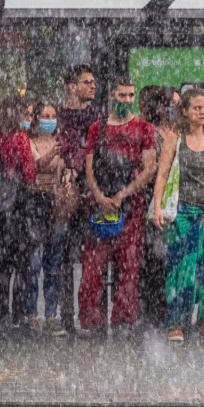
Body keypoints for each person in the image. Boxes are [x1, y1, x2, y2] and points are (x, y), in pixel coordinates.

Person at [80, 79, 156, 332]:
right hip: (99, 207)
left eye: (130, 95)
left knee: (129, 267)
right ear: (112, 95)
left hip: (131, 207)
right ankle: (92, 321)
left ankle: (123, 319)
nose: (126, 100)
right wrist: (99, 196)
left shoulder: (144, 128)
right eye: (122, 95)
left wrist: (123, 194)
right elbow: (88, 168)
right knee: (92, 269)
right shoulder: (97, 128)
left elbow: (149, 168)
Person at [152, 88, 204, 344]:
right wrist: (158, 207)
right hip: (182, 211)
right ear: (185, 110)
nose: (202, 112)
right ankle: (177, 322)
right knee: (180, 266)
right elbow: (162, 174)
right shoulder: (176, 137)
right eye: (197, 107)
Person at [55, 63, 102, 337]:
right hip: (65, 191)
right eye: (86, 82)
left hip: (90, 191)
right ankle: (65, 317)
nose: (92, 86)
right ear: (72, 86)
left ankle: (91, 315)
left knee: (92, 257)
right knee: (63, 256)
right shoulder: (58, 116)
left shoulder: (98, 116)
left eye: (93, 81)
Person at [0, 94, 37, 328]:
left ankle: (1, 312)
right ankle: (19, 314)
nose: (29, 118)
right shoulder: (20, 139)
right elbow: (29, 175)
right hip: (19, 209)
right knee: (23, 265)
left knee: (2, 265)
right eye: (25, 114)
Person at [25, 101, 67, 333]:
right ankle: (31, 313)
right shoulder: (29, 142)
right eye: (44, 115)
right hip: (35, 203)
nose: (49, 119)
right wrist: (53, 152)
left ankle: (52, 315)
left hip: (56, 204)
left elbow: (66, 168)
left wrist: (67, 175)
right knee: (33, 262)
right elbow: (36, 165)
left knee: (54, 263)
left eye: (53, 115)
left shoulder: (62, 142)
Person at [138, 85, 176, 327]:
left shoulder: (183, 131)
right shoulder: (151, 133)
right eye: (172, 103)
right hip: (156, 203)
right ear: (161, 107)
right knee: (156, 259)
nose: (176, 108)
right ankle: (155, 313)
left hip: (179, 204)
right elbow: (152, 171)